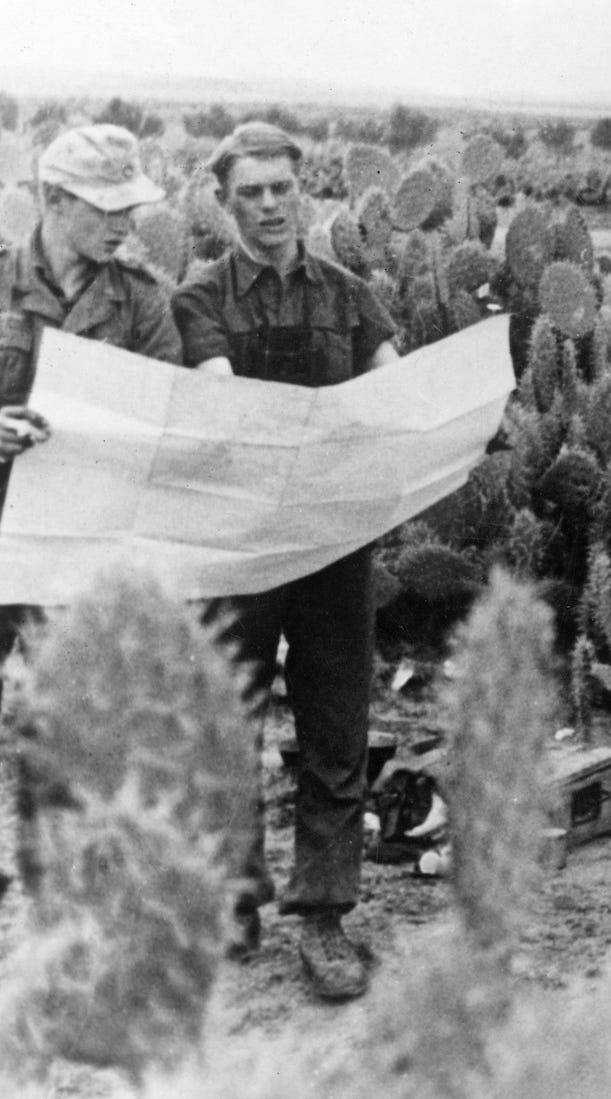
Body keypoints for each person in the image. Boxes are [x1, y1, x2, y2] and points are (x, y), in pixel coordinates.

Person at [172, 121, 399, 1002]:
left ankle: (324, 918)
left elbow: (394, 384)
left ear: (301, 190)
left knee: (336, 727)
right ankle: (234, 900)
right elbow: (222, 391)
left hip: (336, 544)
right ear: (225, 205)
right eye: (248, 195)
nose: (267, 207)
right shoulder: (201, 297)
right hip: (241, 544)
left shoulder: (349, 294)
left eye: (279, 189)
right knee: (228, 723)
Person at [0, 125, 180, 684]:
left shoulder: (142, 302)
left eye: (132, 208)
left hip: (78, 543)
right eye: (108, 208)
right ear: (54, 199)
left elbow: (164, 417)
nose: (125, 224)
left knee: (69, 718)